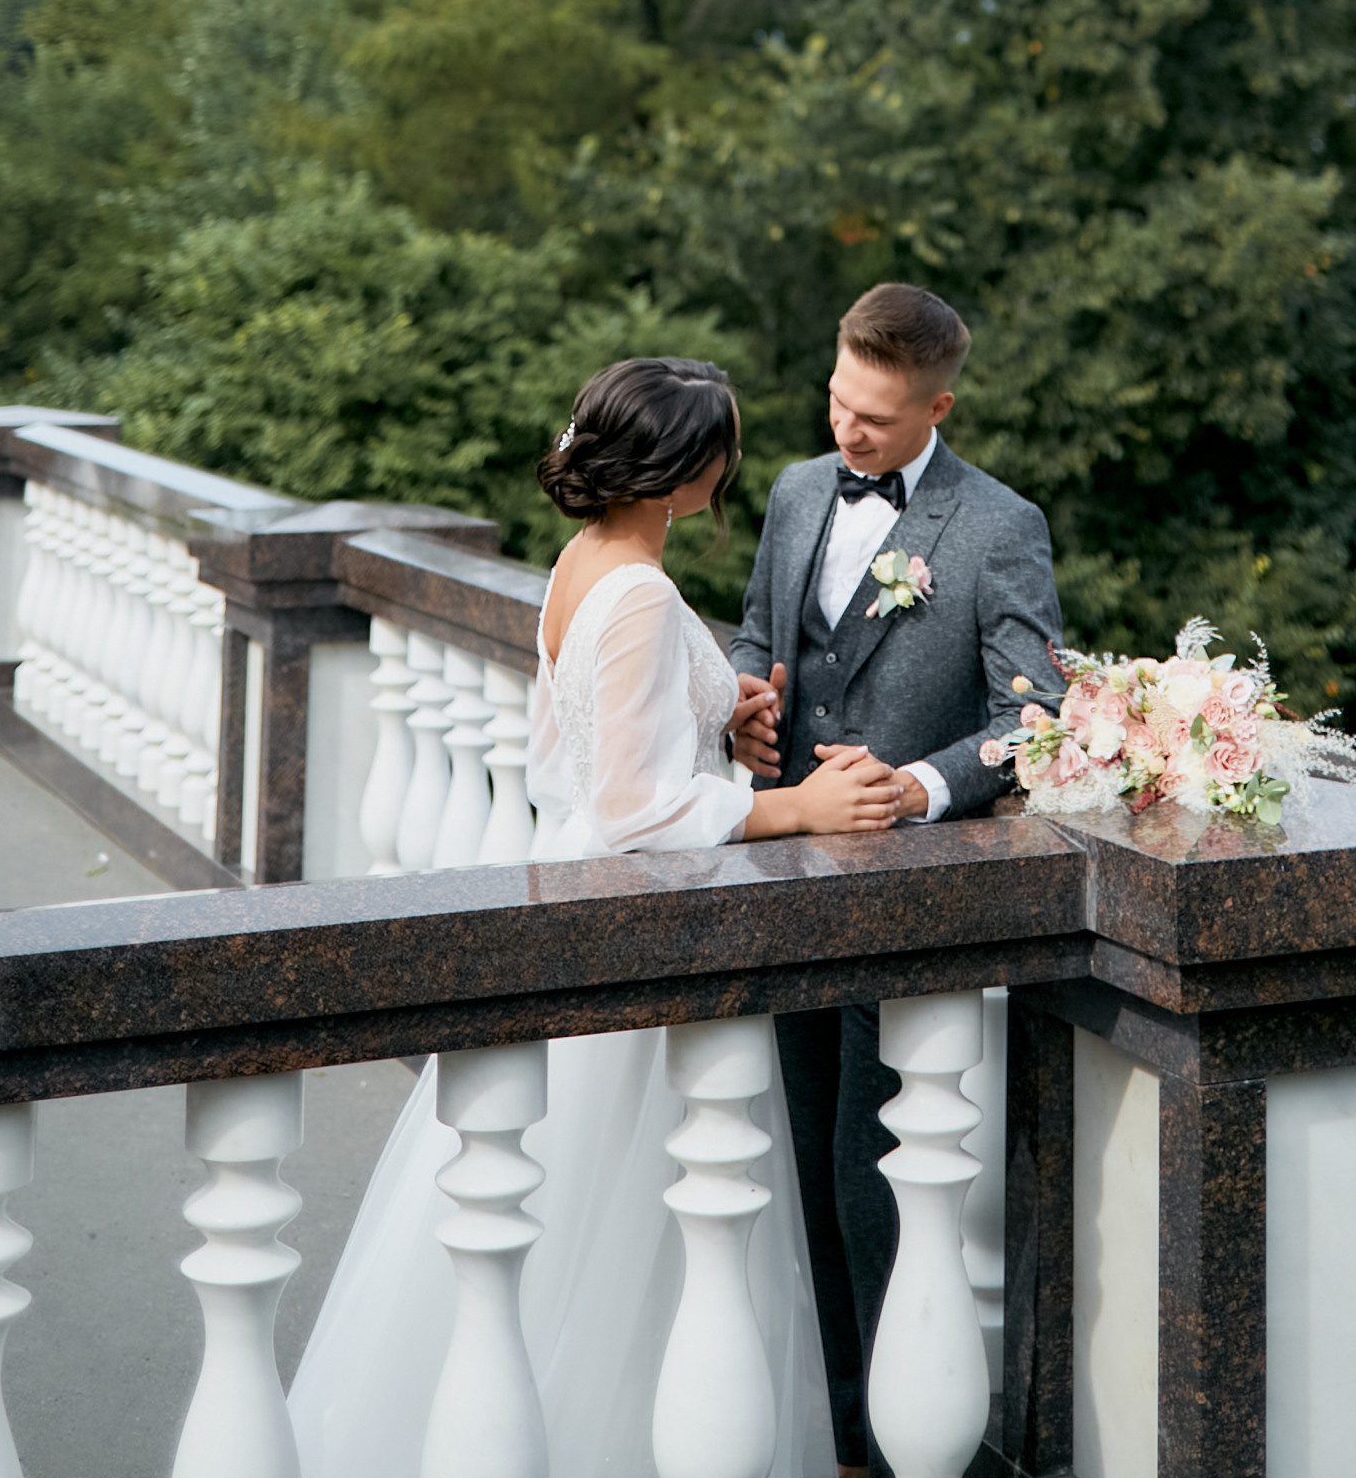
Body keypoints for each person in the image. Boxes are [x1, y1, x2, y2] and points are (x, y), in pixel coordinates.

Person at [288, 355, 899, 1478]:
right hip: (633, 914)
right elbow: (626, 811)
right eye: (721, 449)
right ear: (688, 473)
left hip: (575, 880)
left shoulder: (586, 562)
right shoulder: (639, 592)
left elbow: (565, 757)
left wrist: (720, 707)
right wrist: (791, 807)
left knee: (585, 1215)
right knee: (629, 1224)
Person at [730, 284, 1064, 1478]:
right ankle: (833, 1422)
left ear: (937, 405)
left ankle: (896, 1432)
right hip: (779, 868)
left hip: (901, 892)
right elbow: (751, 629)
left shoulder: (997, 525)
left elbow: (1036, 720)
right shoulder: (792, 490)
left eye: (872, 417)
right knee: (791, 1150)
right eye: (835, 401)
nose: (845, 433)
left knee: (866, 1168)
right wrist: (742, 706)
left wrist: (918, 788)